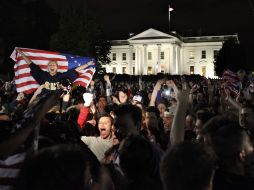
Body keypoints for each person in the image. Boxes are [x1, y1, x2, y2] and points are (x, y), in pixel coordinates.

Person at [16, 48, 95, 91]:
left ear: (57, 68)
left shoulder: (62, 76)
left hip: (57, 102)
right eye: (50, 65)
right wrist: (22, 54)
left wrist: (88, 64)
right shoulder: (42, 75)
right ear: (47, 67)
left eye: (54, 65)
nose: (52, 66)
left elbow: (76, 70)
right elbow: (31, 64)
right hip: (43, 101)